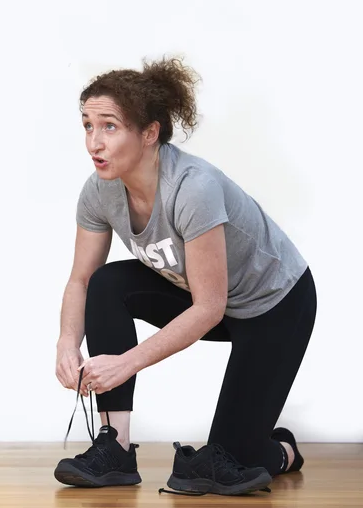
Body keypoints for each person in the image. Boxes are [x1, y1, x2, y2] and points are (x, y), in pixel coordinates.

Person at [52, 56, 316, 496]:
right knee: (107, 285)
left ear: (150, 133)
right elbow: (80, 279)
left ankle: (283, 449)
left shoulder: (192, 187)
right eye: (87, 125)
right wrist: (66, 343)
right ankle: (114, 448)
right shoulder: (100, 190)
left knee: (230, 464)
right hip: (203, 297)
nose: (94, 142)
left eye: (110, 126)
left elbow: (209, 309)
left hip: (274, 305)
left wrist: (125, 363)